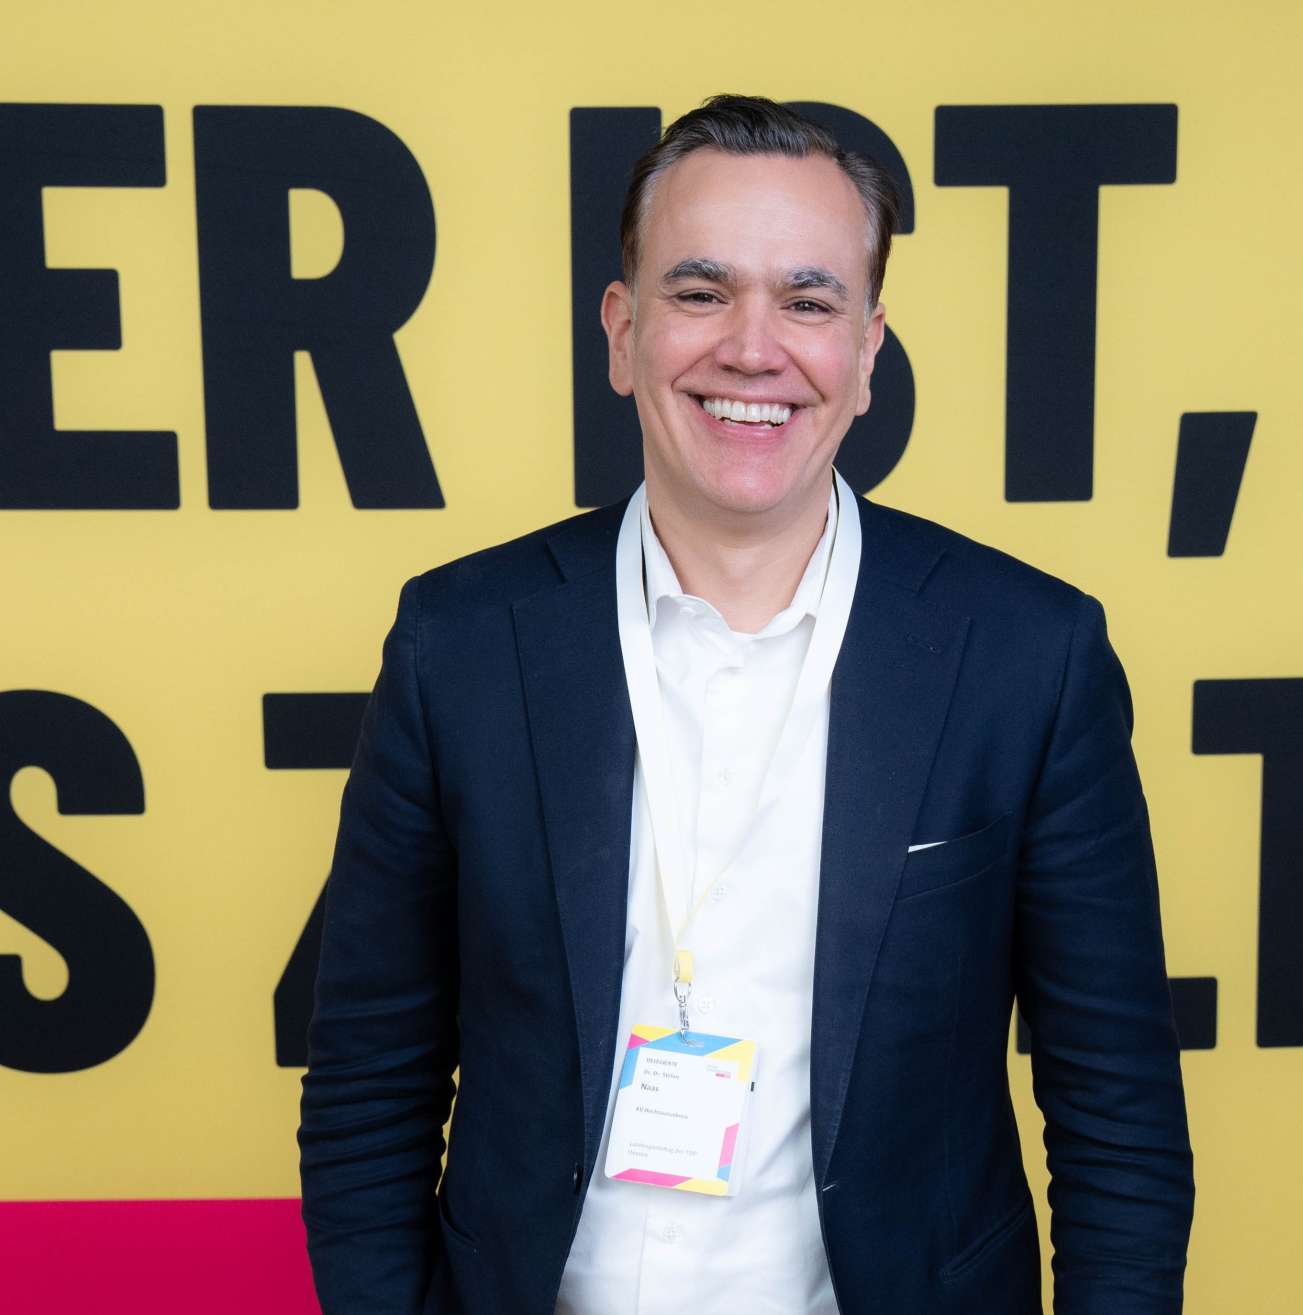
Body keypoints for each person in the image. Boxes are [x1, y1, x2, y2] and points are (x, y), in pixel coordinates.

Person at [298, 94, 1194, 1315]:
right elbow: (368, 1081)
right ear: (621, 333)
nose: (751, 349)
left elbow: (1115, 1113)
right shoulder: (458, 645)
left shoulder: (1024, 657)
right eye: (700, 291)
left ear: (867, 353)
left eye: (808, 302)